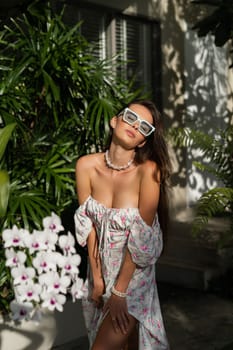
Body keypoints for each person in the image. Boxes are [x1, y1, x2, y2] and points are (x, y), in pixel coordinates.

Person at [74, 100, 172, 350]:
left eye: (144, 127)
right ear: (115, 120)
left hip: (133, 279)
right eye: (130, 118)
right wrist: (97, 279)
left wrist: (119, 292)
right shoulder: (86, 165)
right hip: (100, 273)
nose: (135, 126)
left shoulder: (149, 172)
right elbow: (89, 226)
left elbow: (142, 238)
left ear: (142, 141)